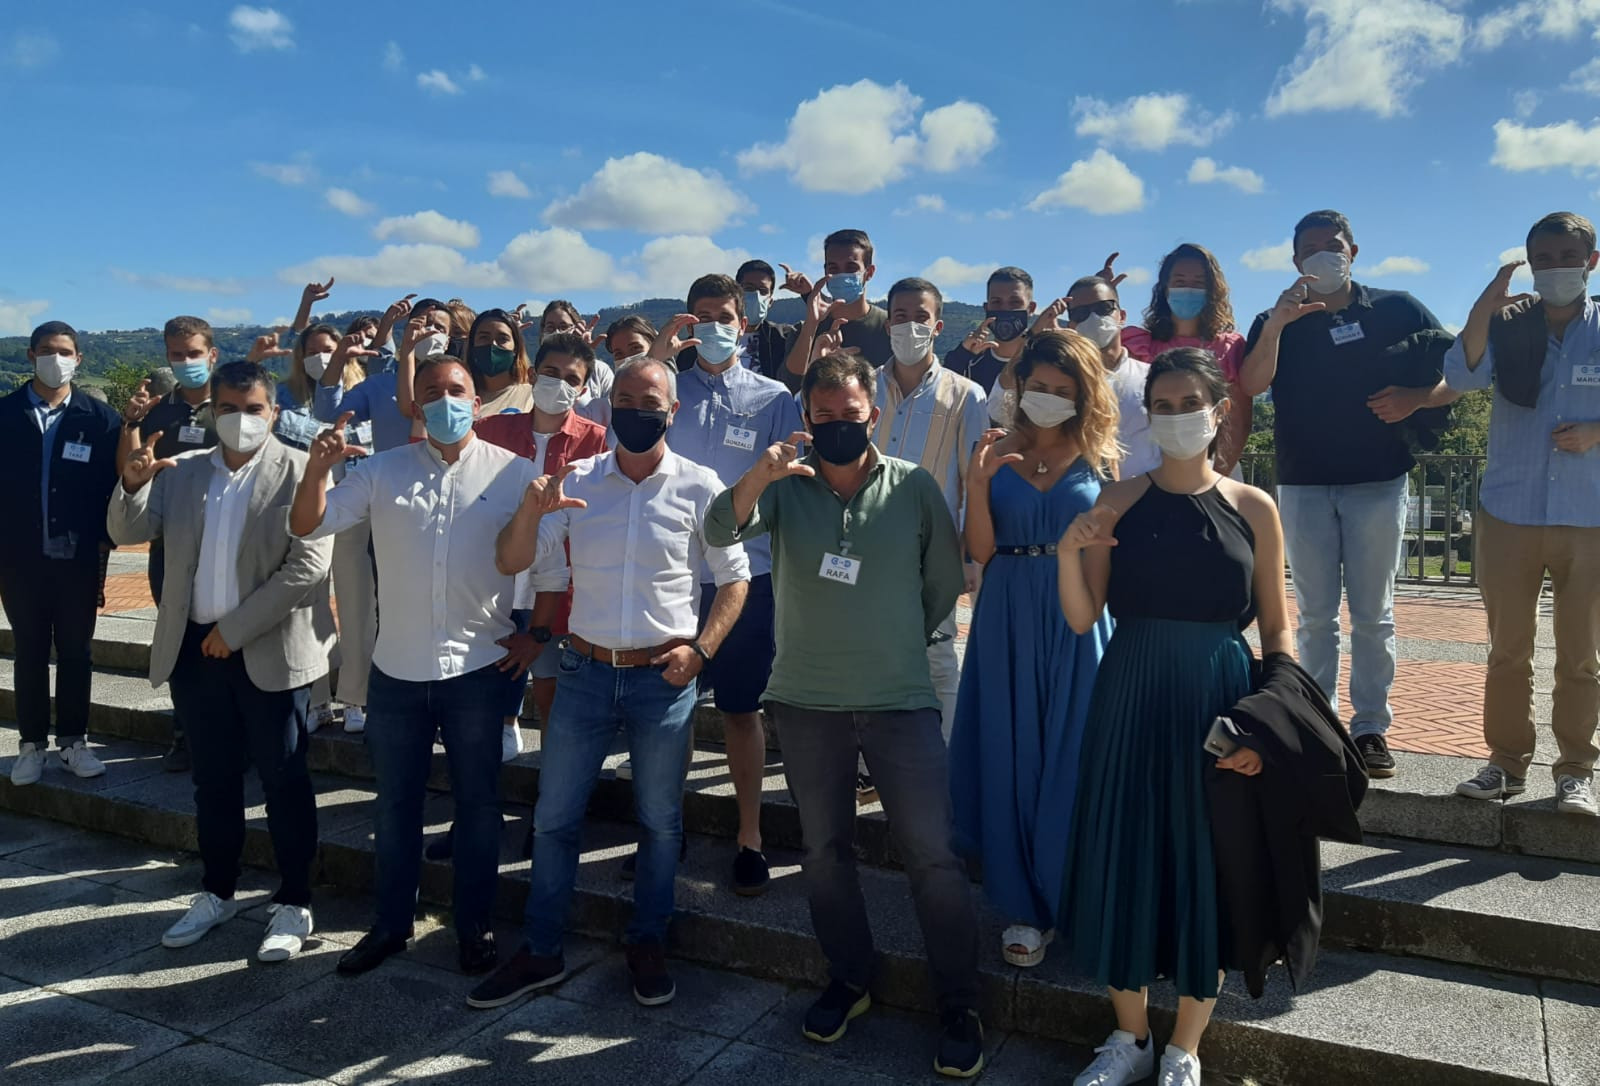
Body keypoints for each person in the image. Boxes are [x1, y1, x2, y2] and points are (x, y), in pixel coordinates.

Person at [703, 352, 985, 1079]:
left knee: (933, 856)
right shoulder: (786, 491)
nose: (836, 426)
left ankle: (959, 1000)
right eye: (821, 416)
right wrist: (760, 474)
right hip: (806, 703)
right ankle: (850, 977)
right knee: (825, 856)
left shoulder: (915, 486)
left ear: (874, 416)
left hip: (900, 700)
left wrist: (887, 641)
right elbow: (717, 532)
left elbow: (940, 583)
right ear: (806, 420)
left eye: (849, 415)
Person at [467, 357, 750, 1012]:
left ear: (673, 410)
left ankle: (647, 941)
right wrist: (530, 513)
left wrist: (702, 652)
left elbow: (733, 578)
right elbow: (513, 561)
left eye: (647, 398)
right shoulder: (579, 480)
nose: (634, 408)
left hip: (663, 679)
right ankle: (541, 949)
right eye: (622, 397)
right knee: (556, 818)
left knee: (659, 823)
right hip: (584, 672)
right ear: (607, 405)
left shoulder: (703, 486)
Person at [1055, 348, 1292, 1086]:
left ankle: (1185, 1046)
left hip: (1219, 694)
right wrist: (1068, 553)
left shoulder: (1255, 507)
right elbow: (1081, 615)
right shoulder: (1116, 501)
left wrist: (1266, 719)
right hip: (1129, 688)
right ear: (1148, 414)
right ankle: (1128, 1038)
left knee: (1206, 855)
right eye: (1163, 402)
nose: (1178, 413)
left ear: (1220, 410)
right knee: (1124, 849)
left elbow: (1280, 627)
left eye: (1193, 400)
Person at [291, 357, 540, 978]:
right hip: (397, 671)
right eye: (432, 393)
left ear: (476, 402)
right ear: (415, 405)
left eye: (456, 391)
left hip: (480, 670)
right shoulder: (379, 472)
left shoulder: (517, 474)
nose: (446, 401)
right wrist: (318, 469)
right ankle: (390, 925)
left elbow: (543, 565)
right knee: (394, 807)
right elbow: (309, 524)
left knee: (479, 807)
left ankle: (474, 925)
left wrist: (534, 635)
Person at [107, 361, 335, 962]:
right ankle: (217, 888)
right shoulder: (182, 474)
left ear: (274, 412)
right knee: (213, 781)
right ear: (211, 412)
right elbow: (127, 529)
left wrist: (232, 631)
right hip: (194, 651)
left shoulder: (299, 471)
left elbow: (307, 567)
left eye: (253, 409)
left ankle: (295, 900)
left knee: (285, 779)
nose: (240, 421)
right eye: (227, 410)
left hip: (267, 649)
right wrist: (131, 483)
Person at [1238, 210, 1457, 779]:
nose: (1322, 256)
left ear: (1353, 251)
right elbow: (1252, 383)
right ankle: (1320, 722)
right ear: (1294, 262)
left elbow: (1459, 370)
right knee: (1313, 617)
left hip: (1378, 481)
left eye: (1332, 246)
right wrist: (1279, 324)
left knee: (1373, 614)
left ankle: (1370, 729)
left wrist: (1415, 397)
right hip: (1303, 483)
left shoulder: (1397, 308)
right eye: (1309, 249)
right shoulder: (1274, 318)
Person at [949, 330, 1119, 970]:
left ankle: (1075, 893)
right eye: (1038, 387)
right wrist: (977, 479)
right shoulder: (997, 449)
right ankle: (1023, 904)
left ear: (1083, 396)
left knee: (1073, 752)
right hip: (1007, 612)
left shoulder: (1102, 460)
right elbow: (982, 551)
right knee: (1012, 751)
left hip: (1078, 616)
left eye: (1062, 391)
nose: (1047, 398)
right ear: (1019, 387)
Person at [655, 273, 805, 894]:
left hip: (752, 578)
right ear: (688, 323)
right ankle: (666, 830)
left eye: (726, 316)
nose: (714, 327)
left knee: (742, 712)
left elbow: (794, 488)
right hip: (673, 577)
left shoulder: (774, 398)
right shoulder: (667, 391)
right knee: (671, 713)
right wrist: (660, 356)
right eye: (702, 317)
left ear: (745, 324)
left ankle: (750, 836)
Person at [1447, 211, 1600, 817]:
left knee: (1582, 654)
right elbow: (1460, 372)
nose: (1557, 268)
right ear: (1531, 263)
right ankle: (1506, 764)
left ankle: (1575, 772)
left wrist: (1596, 431)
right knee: (1507, 649)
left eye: (1569, 257)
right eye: (1546, 257)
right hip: (1509, 510)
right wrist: (1488, 302)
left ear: (1590, 261)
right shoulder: (1509, 324)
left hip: (1589, 516)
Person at [313, 296, 446, 738]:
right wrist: (337, 362)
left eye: (437, 326)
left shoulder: (460, 383)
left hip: (438, 509)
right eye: (421, 324)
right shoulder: (380, 385)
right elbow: (328, 409)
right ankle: (355, 695)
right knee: (357, 606)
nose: (429, 332)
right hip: (375, 507)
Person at [2, 321, 120, 787]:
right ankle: (31, 745)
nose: (57, 359)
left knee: (77, 651)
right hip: (18, 558)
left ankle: (73, 741)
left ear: (79, 359)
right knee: (28, 650)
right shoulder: (6, 414)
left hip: (77, 558)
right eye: (48, 350)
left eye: (65, 351)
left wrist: (103, 548)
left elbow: (109, 491)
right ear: (30, 355)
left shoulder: (99, 418)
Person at [874, 276, 988, 742]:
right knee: (869, 650)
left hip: (932, 552)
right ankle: (869, 763)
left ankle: (945, 762)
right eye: (900, 316)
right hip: (868, 544)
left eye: (920, 317)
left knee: (939, 661)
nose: (909, 326)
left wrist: (967, 557)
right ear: (887, 324)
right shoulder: (864, 386)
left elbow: (971, 481)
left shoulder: (966, 395)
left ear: (937, 325)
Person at [118, 315, 222, 772]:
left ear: (212, 355)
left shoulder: (234, 406)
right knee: (179, 640)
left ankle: (231, 735)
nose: (186, 362)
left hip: (225, 541)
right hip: (170, 547)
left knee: (225, 641)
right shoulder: (158, 411)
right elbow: (130, 476)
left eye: (194, 354)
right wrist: (131, 424)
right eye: (177, 355)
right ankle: (186, 735)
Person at [1119, 245, 1251, 476]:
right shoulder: (1136, 344)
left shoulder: (1230, 347)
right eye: (1179, 281)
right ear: (1165, 288)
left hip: (1215, 472)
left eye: (1199, 282)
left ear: (1212, 290)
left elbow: (1238, 422)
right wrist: (1103, 302)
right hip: (1146, 474)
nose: (1188, 289)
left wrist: (1215, 479)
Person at [780, 229, 894, 393]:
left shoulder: (889, 328)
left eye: (851, 267)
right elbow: (788, 385)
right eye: (833, 268)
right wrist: (812, 325)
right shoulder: (804, 330)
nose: (841, 274)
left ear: (869, 273)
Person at [400, 308, 534, 423]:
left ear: (516, 348)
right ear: (472, 346)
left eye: (502, 339)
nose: (492, 345)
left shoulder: (533, 395)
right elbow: (412, 411)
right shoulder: (457, 395)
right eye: (484, 337)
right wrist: (408, 349)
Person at [942, 266, 1039, 392]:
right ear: (987, 308)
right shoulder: (969, 363)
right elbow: (942, 390)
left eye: (1015, 302)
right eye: (997, 302)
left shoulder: (1045, 363)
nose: (1005, 309)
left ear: (1031, 308)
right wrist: (962, 354)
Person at [538, 301, 614, 426]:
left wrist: (583, 358)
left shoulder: (599, 370)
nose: (557, 332)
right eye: (550, 327)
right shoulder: (534, 374)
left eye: (563, 327)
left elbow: (616, 407)